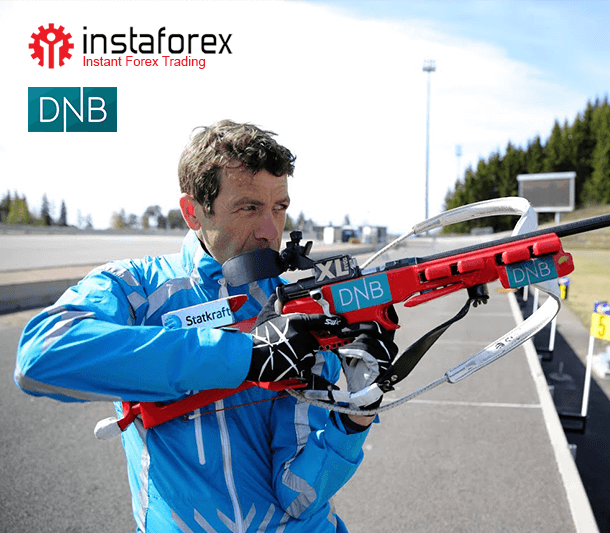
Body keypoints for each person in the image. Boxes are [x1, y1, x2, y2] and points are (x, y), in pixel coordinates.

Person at [15, 120, 397, 532]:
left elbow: (298, 494)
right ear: (193, 212)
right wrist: (245, 356)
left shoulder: (299, 311)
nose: (270, 231)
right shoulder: (135, 286)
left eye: (279, 207)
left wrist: (355, 414)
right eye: (249, 208)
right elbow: (41, 355)